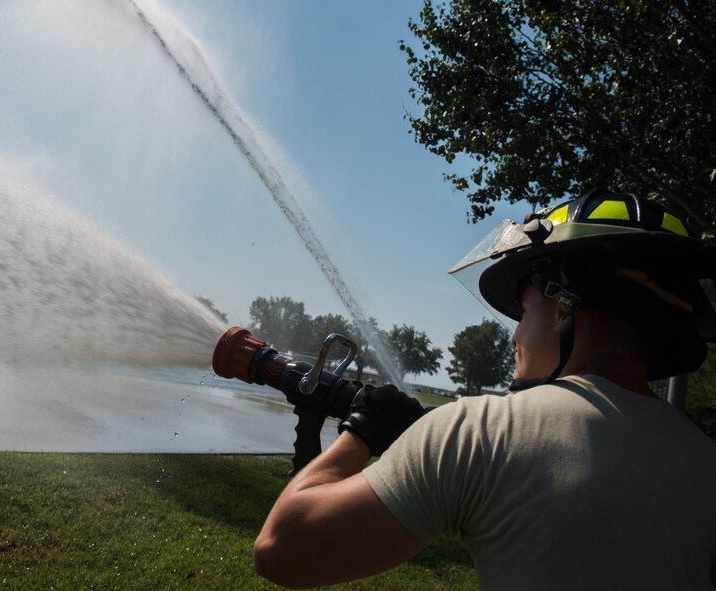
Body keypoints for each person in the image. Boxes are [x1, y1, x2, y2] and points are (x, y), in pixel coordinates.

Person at [253, 190, 716, 589]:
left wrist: (363, 431)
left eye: (524, 310)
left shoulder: (481, 433)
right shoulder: (705, 461)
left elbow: (282, 550)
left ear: (562, 307)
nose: (514, 338)